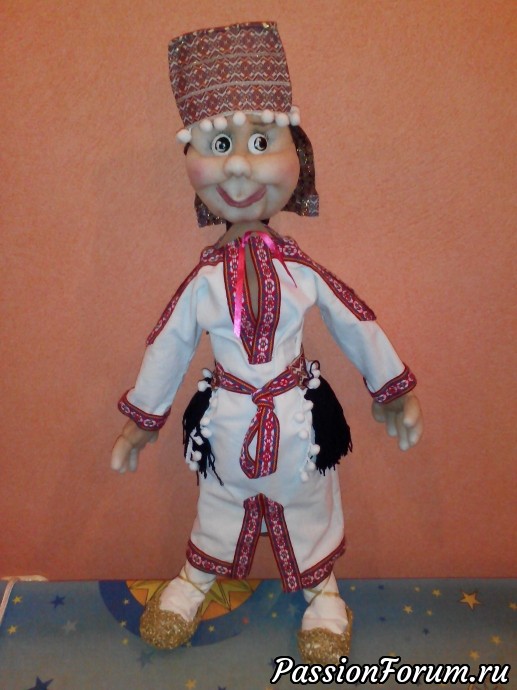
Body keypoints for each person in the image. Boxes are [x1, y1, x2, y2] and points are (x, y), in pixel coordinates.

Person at [111, 21, 423, 665]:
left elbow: (354, 321)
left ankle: (323, 592)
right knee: (219, 499)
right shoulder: (202, 282)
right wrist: (142, 421)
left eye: (260, 142)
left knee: (309, 498)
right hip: (227, 417)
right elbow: (168, 345)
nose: (238, 165)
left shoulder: (300, 271)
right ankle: (197, 577)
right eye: (220, 145)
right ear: (192, 160)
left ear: (296, 153)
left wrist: (391, 390)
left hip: (297, 418)